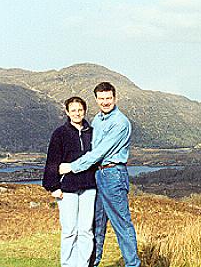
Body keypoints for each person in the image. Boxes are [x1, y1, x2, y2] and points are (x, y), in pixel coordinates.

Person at [59, 82, 141, 267]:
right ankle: (92, 263)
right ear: (96, 100)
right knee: (96, 225)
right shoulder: (97, 120)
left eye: (108, 98)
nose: (105, 102)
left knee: (121, 224)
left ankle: (132, 264)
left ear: (115, 98)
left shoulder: (120, 122)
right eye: (101, 99)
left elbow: (99, 152)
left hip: (113, 175)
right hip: (98, 175)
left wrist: (72, 167)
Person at [43, 97, 97, 267]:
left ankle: (82, 264)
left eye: (80, 110)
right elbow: (52, 160)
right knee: (69, 231)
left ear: (85, 111)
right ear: (67, 112)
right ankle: (68, 265)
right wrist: (53, 186)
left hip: (89, 187)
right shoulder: (60, 133)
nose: (77, 113)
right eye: (73, 110)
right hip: (67, 189)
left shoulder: (92, 132)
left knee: (86, 230)